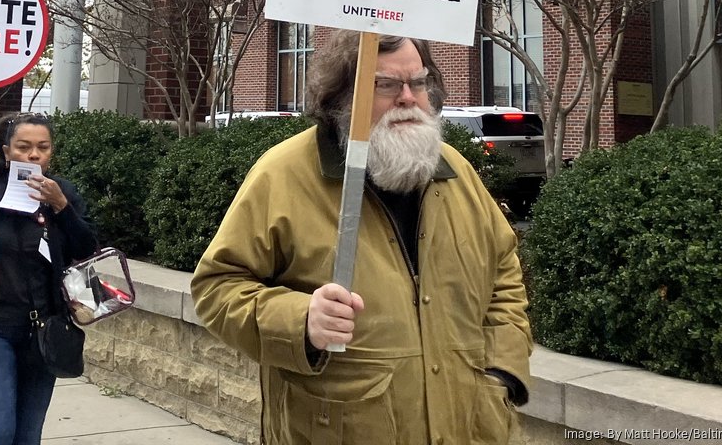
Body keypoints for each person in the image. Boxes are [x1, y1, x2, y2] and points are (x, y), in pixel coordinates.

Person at [191, 32, 533, 445]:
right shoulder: (283, 174)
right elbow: (217, 287)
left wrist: (502, 373)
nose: (408, 97)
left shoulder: (456, 170)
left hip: (472, 427)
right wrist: (301, 321)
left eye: (419, 82)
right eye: (385, 84)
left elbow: (503, 271)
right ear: (342, 97)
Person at [0, 113, 97, 445]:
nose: (33, 155)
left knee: (27, 436)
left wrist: (61, 207)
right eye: (24, 147)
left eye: (42, 147)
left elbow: (87, 249)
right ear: (6, 150)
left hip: (43, 332)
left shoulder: (63, 193)